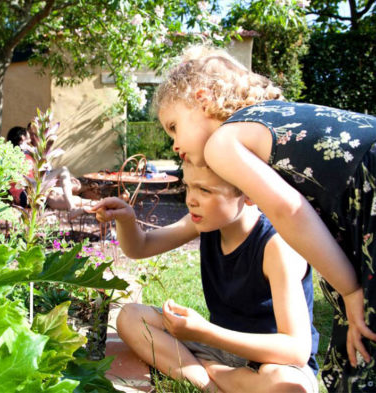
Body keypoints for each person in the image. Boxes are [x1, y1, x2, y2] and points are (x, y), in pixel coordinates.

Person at [152, 45, 376, 392]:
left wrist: (348, 290)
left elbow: (289, 211)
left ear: (202, 99)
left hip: (369, 187)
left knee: (365, 338)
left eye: (173, 126)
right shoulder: (268, 120)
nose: (174, 145)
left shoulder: (222, 144)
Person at [91, 162, 320, 393]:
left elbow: (296, 350)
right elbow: (140, 247)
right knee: (131, 316)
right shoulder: (206, 224)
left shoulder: (277, 246)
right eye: (188, 187)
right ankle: (211, 384)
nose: (190, 199)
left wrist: (204, 332)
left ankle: (207, 370)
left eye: (205, 190)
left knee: (289, 387)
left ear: (249, 194)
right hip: (218, 347)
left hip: (272, 360)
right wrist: (127, 220)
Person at [6, 126, 96, 218]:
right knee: (63, 170)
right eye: (28, 133)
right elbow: (24, 179)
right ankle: (74, 207)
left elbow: (39, 174)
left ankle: (95, 204)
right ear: (22, 137)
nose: (32, 137)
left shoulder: (23, 154)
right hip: (26, 193)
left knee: (55, 197)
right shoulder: (18, 155)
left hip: (29, 195)